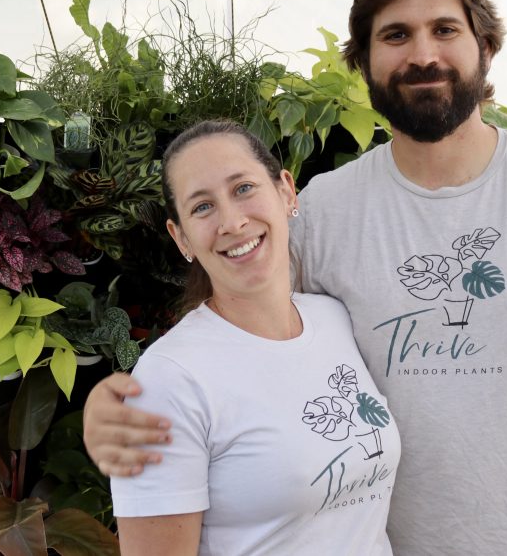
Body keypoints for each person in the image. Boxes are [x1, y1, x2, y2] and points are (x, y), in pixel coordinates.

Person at [86, 0, 507, 555]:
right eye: (395, 35)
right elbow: (240, 343)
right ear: (364, 62)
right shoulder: (322, 213)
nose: (423, 54)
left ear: (486, 44)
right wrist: (123, 403)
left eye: (445, 28)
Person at [111, 120, 399, 555]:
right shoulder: (166, 381)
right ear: (181, 237)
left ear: (286, 191)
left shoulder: (335, 319)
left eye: (243, 188)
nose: (232, 221)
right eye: (202, 207)